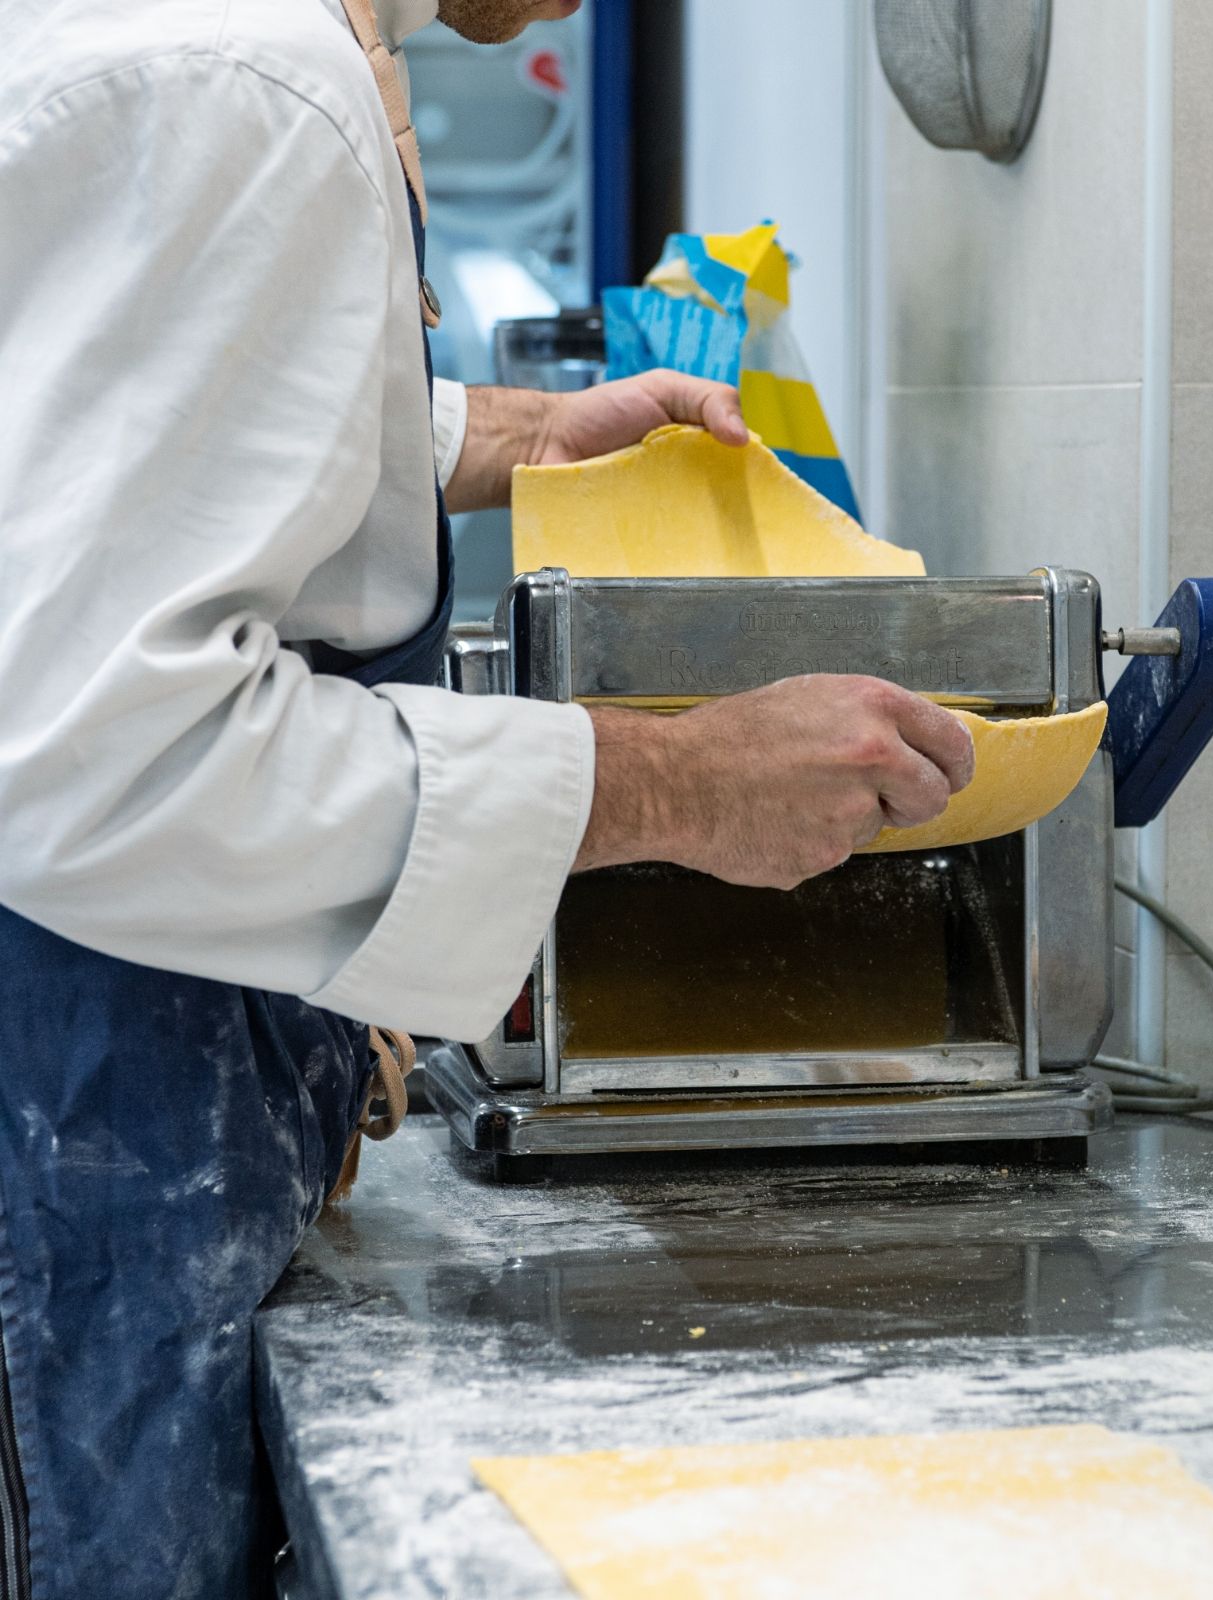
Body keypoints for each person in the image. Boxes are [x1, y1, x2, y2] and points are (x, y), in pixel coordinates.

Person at [0, 0, 974, 1594]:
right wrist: (676, 779)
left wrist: (510, 438)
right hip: (79, 1102)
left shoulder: (208, 47)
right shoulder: (251, 79)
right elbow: (112, 752)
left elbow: (113, 435)